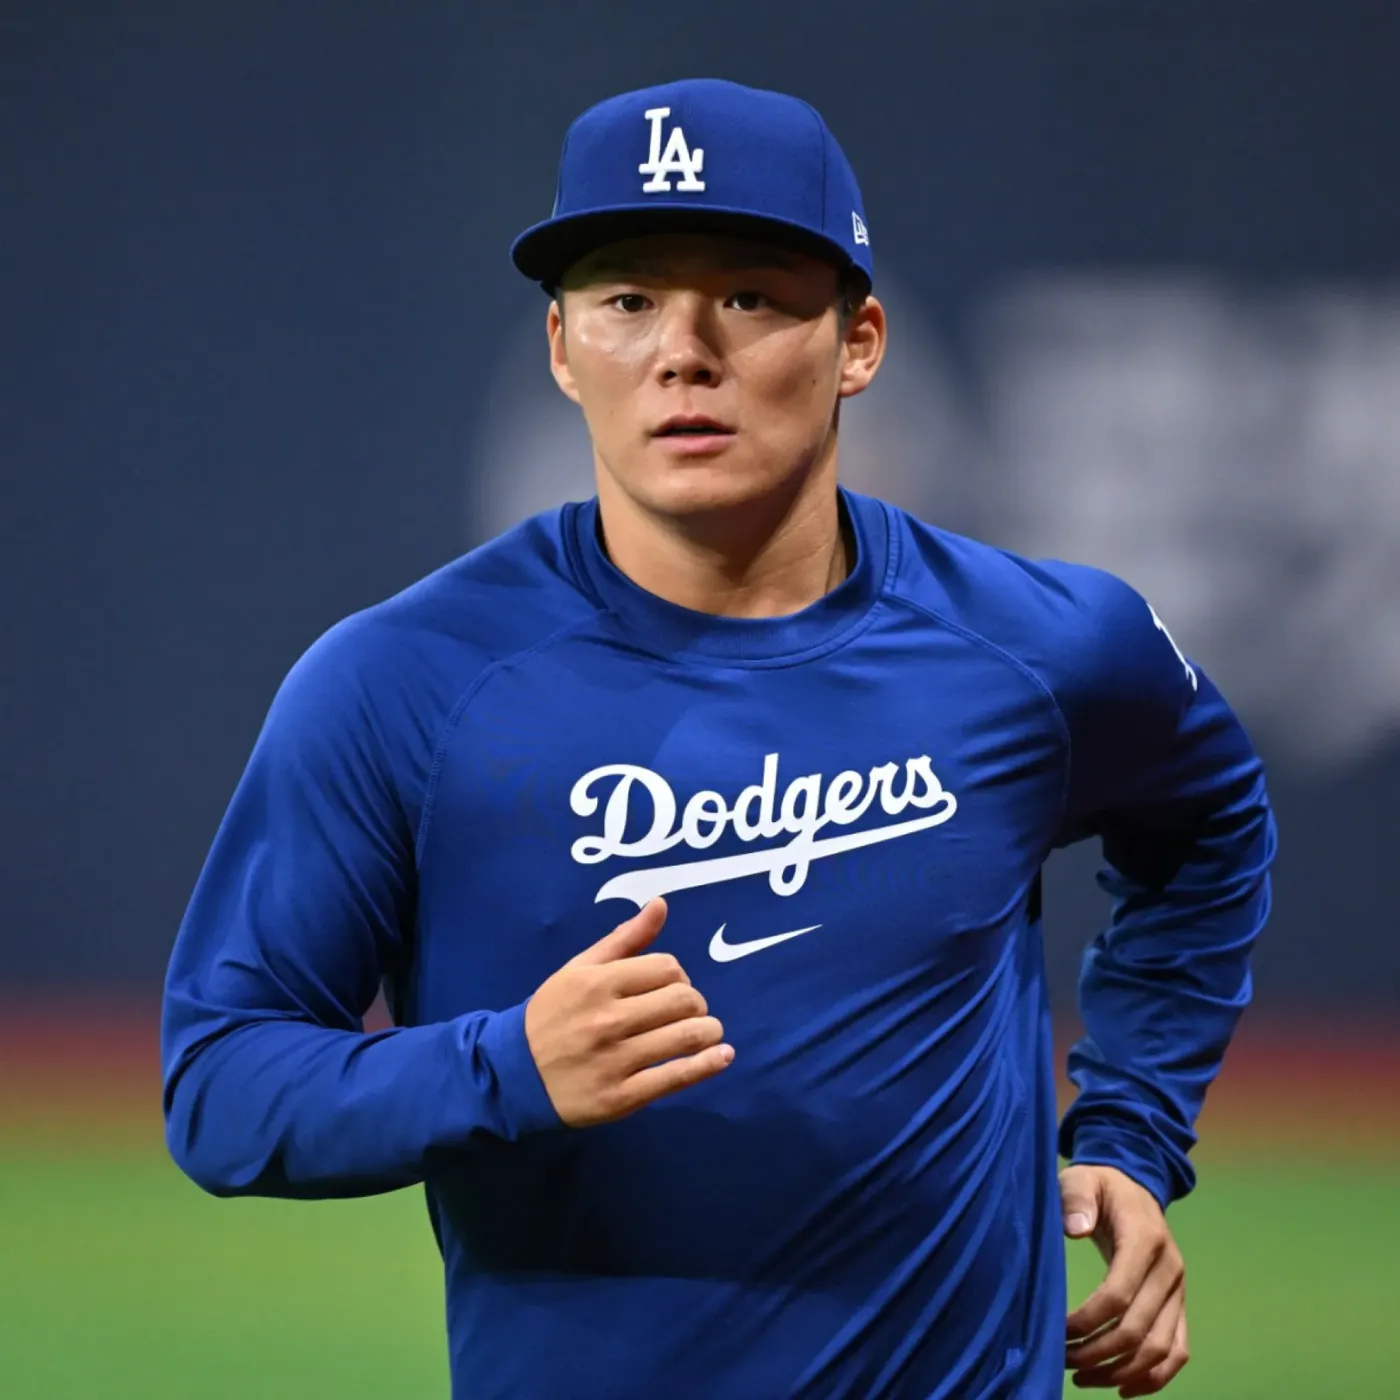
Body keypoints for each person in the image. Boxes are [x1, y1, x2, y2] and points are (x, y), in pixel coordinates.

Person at [161, 78, 1276, 1400]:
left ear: (859, 341)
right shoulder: (405, 685)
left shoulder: (1038, 652)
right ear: (562, 348)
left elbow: (1212, 825)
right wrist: (502, 1068)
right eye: (628, 300)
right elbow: (222, 1085)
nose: (684, 353)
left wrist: (1131, 1134)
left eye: (748, 296)